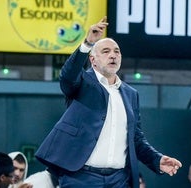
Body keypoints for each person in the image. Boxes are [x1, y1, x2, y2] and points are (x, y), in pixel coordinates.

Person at [35, 16, 182, 188]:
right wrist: (88, 43)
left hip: (119, 179)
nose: (113, 55)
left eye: (117, 51)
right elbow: (67, 77)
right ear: (93, 60)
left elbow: (135, 139)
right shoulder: (82, 82)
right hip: (81, 177)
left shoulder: (130, 94)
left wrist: (157, 160)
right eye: (105, 51)